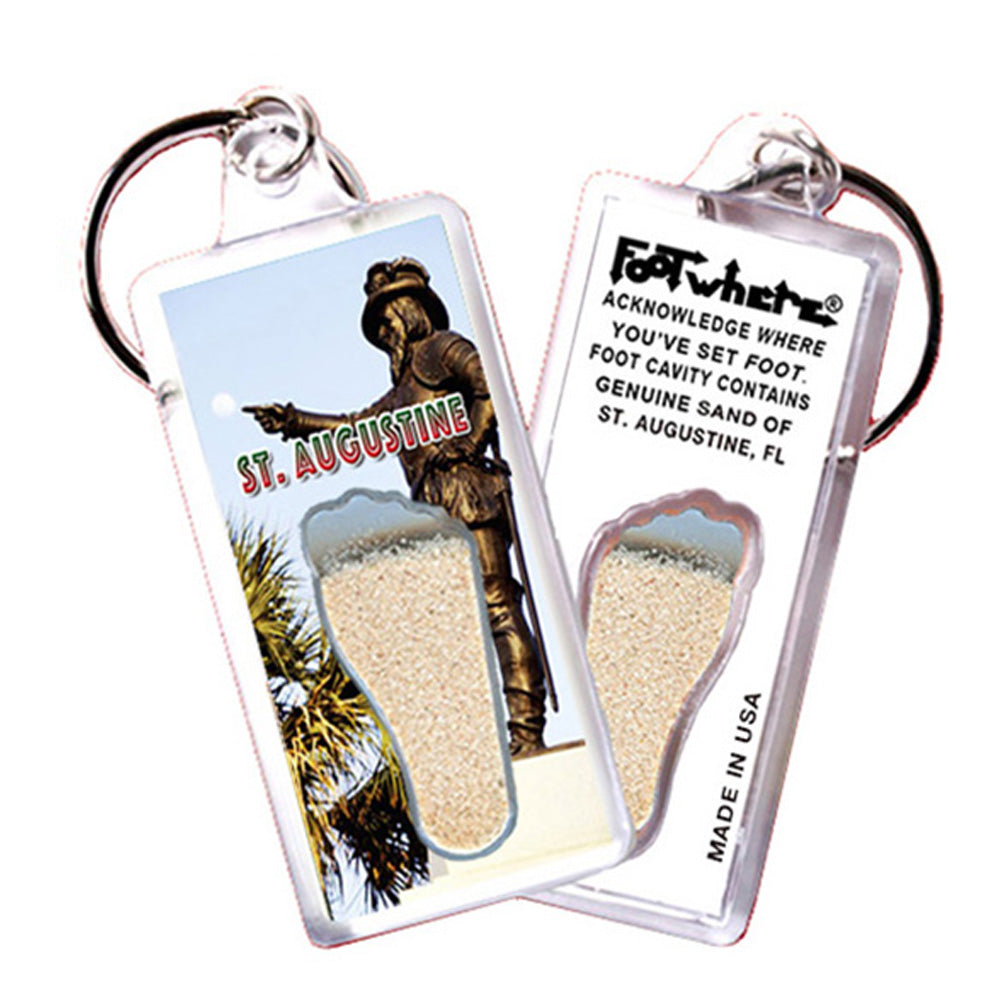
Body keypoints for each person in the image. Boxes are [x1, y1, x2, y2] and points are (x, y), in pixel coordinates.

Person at [245, 257, 546, 757]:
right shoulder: (403, 391)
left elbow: (487, 385)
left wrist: (471, 441)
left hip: (468, 494)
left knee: (497, 606)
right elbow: (356, 428)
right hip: (433, 507)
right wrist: (294, 421)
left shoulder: (442, 350)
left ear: (408, 310)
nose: (384, 334)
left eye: (386, 320)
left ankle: (527, 732)